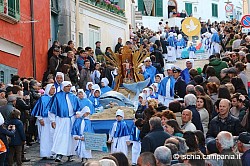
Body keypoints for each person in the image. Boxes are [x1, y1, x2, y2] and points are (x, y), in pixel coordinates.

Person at [48, 81, 81, 162]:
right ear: (63, 87)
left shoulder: (73, 96)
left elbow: (78, 108)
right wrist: (52, 120)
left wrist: (77, 113)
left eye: (70, 86)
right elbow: (52, 109)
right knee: (60, 137)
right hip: (61, 120)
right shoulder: (57, 96)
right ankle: (59, 154)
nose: (69, 88)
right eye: (67, 86)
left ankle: (70, 154)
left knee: (71, 137)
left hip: (71, 120)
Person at [31, 84, 55, 159]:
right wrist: (40, 118)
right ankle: (45, 153)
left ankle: (53, 153)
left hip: (53, 120)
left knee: (53, 136)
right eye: (52, 88)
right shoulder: (43, 98)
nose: (53, 90)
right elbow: (38, 109)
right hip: (45, 119)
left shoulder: (55, 98)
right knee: (45, 137)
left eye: (54, 88)